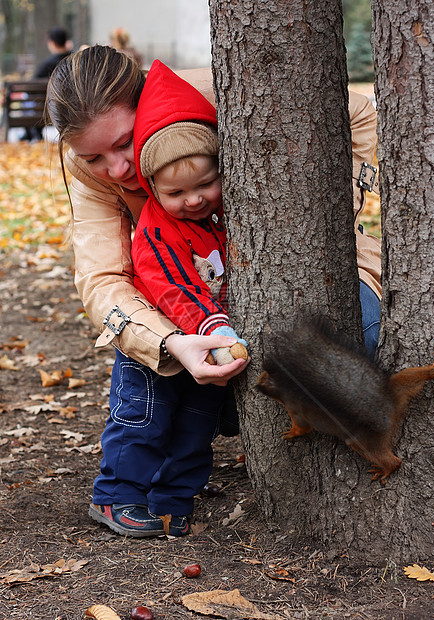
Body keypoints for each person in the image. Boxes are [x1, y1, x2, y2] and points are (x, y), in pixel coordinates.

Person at [45, 45, 381, 535]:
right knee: (167, 380)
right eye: (93, 156)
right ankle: (155, 478)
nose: (117, 169)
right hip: (195, 298)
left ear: (147, 104)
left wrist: (320, 219)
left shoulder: (215, 91)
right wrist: (169, 342)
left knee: (359, 343)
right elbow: (102, 279)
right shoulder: (89, 174)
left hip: (320, 266)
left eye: (123, 143)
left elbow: (358, 110)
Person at [88, 60, 248, 539]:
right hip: (160, 343)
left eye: (205, 185)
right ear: (152, 187)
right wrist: (214, 328)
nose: (195, 200)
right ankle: (117, 495)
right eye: (177, 192)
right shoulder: (158, 230)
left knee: (196, 429)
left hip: (209, 345)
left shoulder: (219, 223)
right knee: (143, 421)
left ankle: (173, 500)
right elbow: (174, 287)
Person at [21, 26, 72, 141]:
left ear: (52, 43)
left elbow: (31, 86)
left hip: (47, 110)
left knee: (27, 98)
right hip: (71, 108)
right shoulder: (73, 60)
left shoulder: (47, 63)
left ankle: (32, 133)